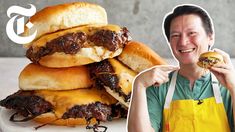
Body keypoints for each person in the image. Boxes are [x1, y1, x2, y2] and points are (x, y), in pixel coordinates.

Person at [128, 4, 235, 132]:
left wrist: (233, 87)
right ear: (169, 42)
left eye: (192, 33)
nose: (183, 42)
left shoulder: (229, 85)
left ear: (210, 37)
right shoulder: (158, 87)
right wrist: (138, 84)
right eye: (175, 35)